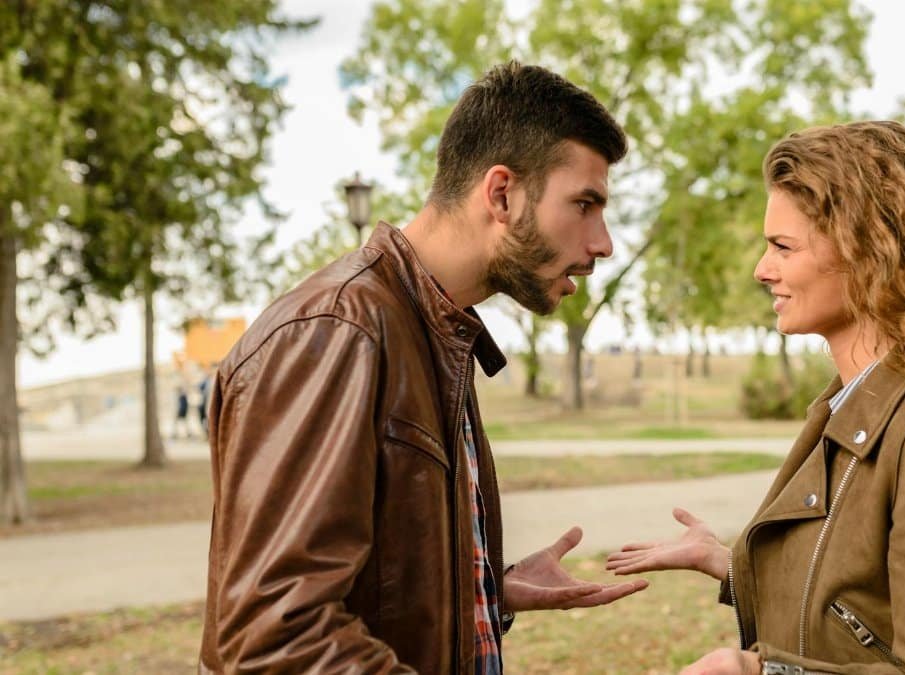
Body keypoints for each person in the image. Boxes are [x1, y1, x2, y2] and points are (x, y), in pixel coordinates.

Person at [200, 62, 648, 674]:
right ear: (501, 194)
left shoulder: (433, 330)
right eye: (585, 204)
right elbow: (276, 639)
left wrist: (488, 593)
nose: (604, 243)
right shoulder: (338, 331)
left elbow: (372, 589)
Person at [606, 121, 905, 674]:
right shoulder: (854, 404)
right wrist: (736, 566)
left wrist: (758, 674)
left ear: (871, 253)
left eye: (783, 247)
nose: (762, 270)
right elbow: (860, 602)